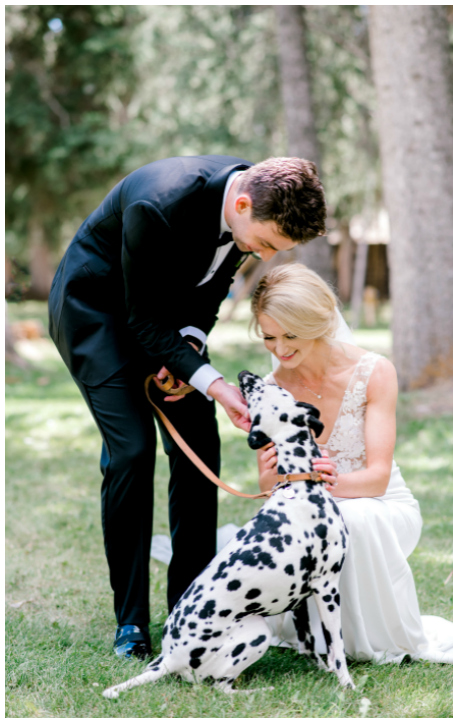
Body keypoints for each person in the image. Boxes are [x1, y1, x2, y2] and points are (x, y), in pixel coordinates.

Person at [47, 156, 327, 659]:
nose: (260, 254)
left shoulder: (249, 211)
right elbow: (140, 318)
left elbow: (212, 285)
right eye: (263, 244)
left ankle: (191, 606)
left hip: (162, 320)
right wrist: (215, 384)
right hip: (97, 313)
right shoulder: (160, 203)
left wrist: (192, 346)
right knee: (132, 450)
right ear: (241, 204)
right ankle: (130, 622)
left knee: (199, 438)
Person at [235, 264, 453, 664]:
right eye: (269, 337)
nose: (280, 349)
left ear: (320, 322)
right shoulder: (271, 389)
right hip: (308, 509)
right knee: (306, 526)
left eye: (290, 335)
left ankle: (368, 642)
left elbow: (377, 479)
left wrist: (317, 481)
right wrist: (278, 473)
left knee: (354, 518)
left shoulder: (373, 372)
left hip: (380, 506)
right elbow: (267, 483)